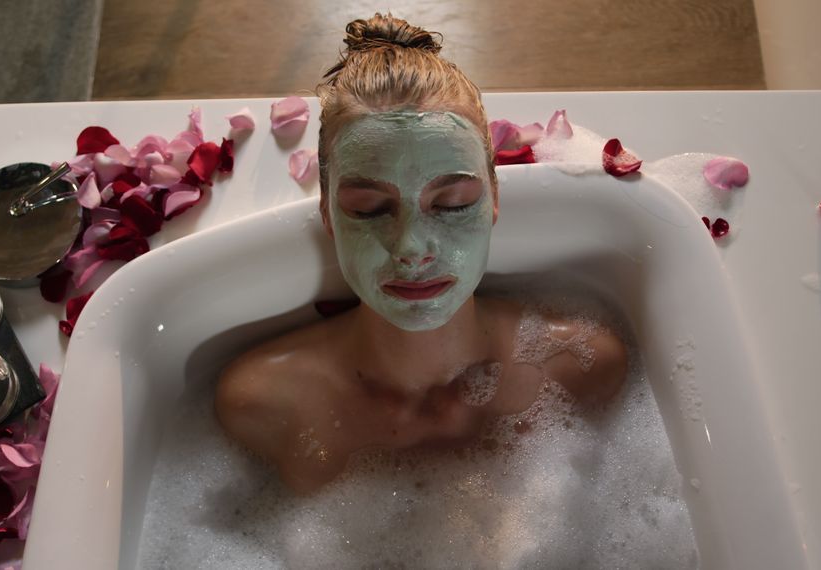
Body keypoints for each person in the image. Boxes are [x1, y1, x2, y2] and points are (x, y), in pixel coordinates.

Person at [216, 14, 627, 494]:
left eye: (452, 205)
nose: (411, 248)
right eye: (369, 210)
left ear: (494, 198)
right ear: (328, 215)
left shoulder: (581, 365)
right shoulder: (264, 403)